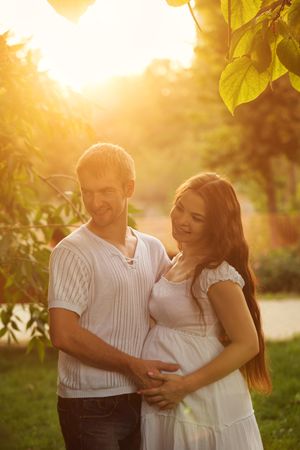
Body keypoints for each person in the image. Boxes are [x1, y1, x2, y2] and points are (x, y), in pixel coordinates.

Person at [48, 142, 179, 450]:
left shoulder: (152, 248)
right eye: (86, 191)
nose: (94, 202)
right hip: (90, 405)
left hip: (144, 396)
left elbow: (178, 305)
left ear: (128, 187)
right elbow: (63, 335)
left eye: (105, 190)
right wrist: (131, 365)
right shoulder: (72, 252)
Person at [139, 172, 272, 450]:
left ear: (215, 226)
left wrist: (185, 385)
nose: (182, 219)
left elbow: (248, 344)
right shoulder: (179, 261)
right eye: (180, 208)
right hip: (172, 398)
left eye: (196, 218)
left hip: (202, 401)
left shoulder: (216, 275)